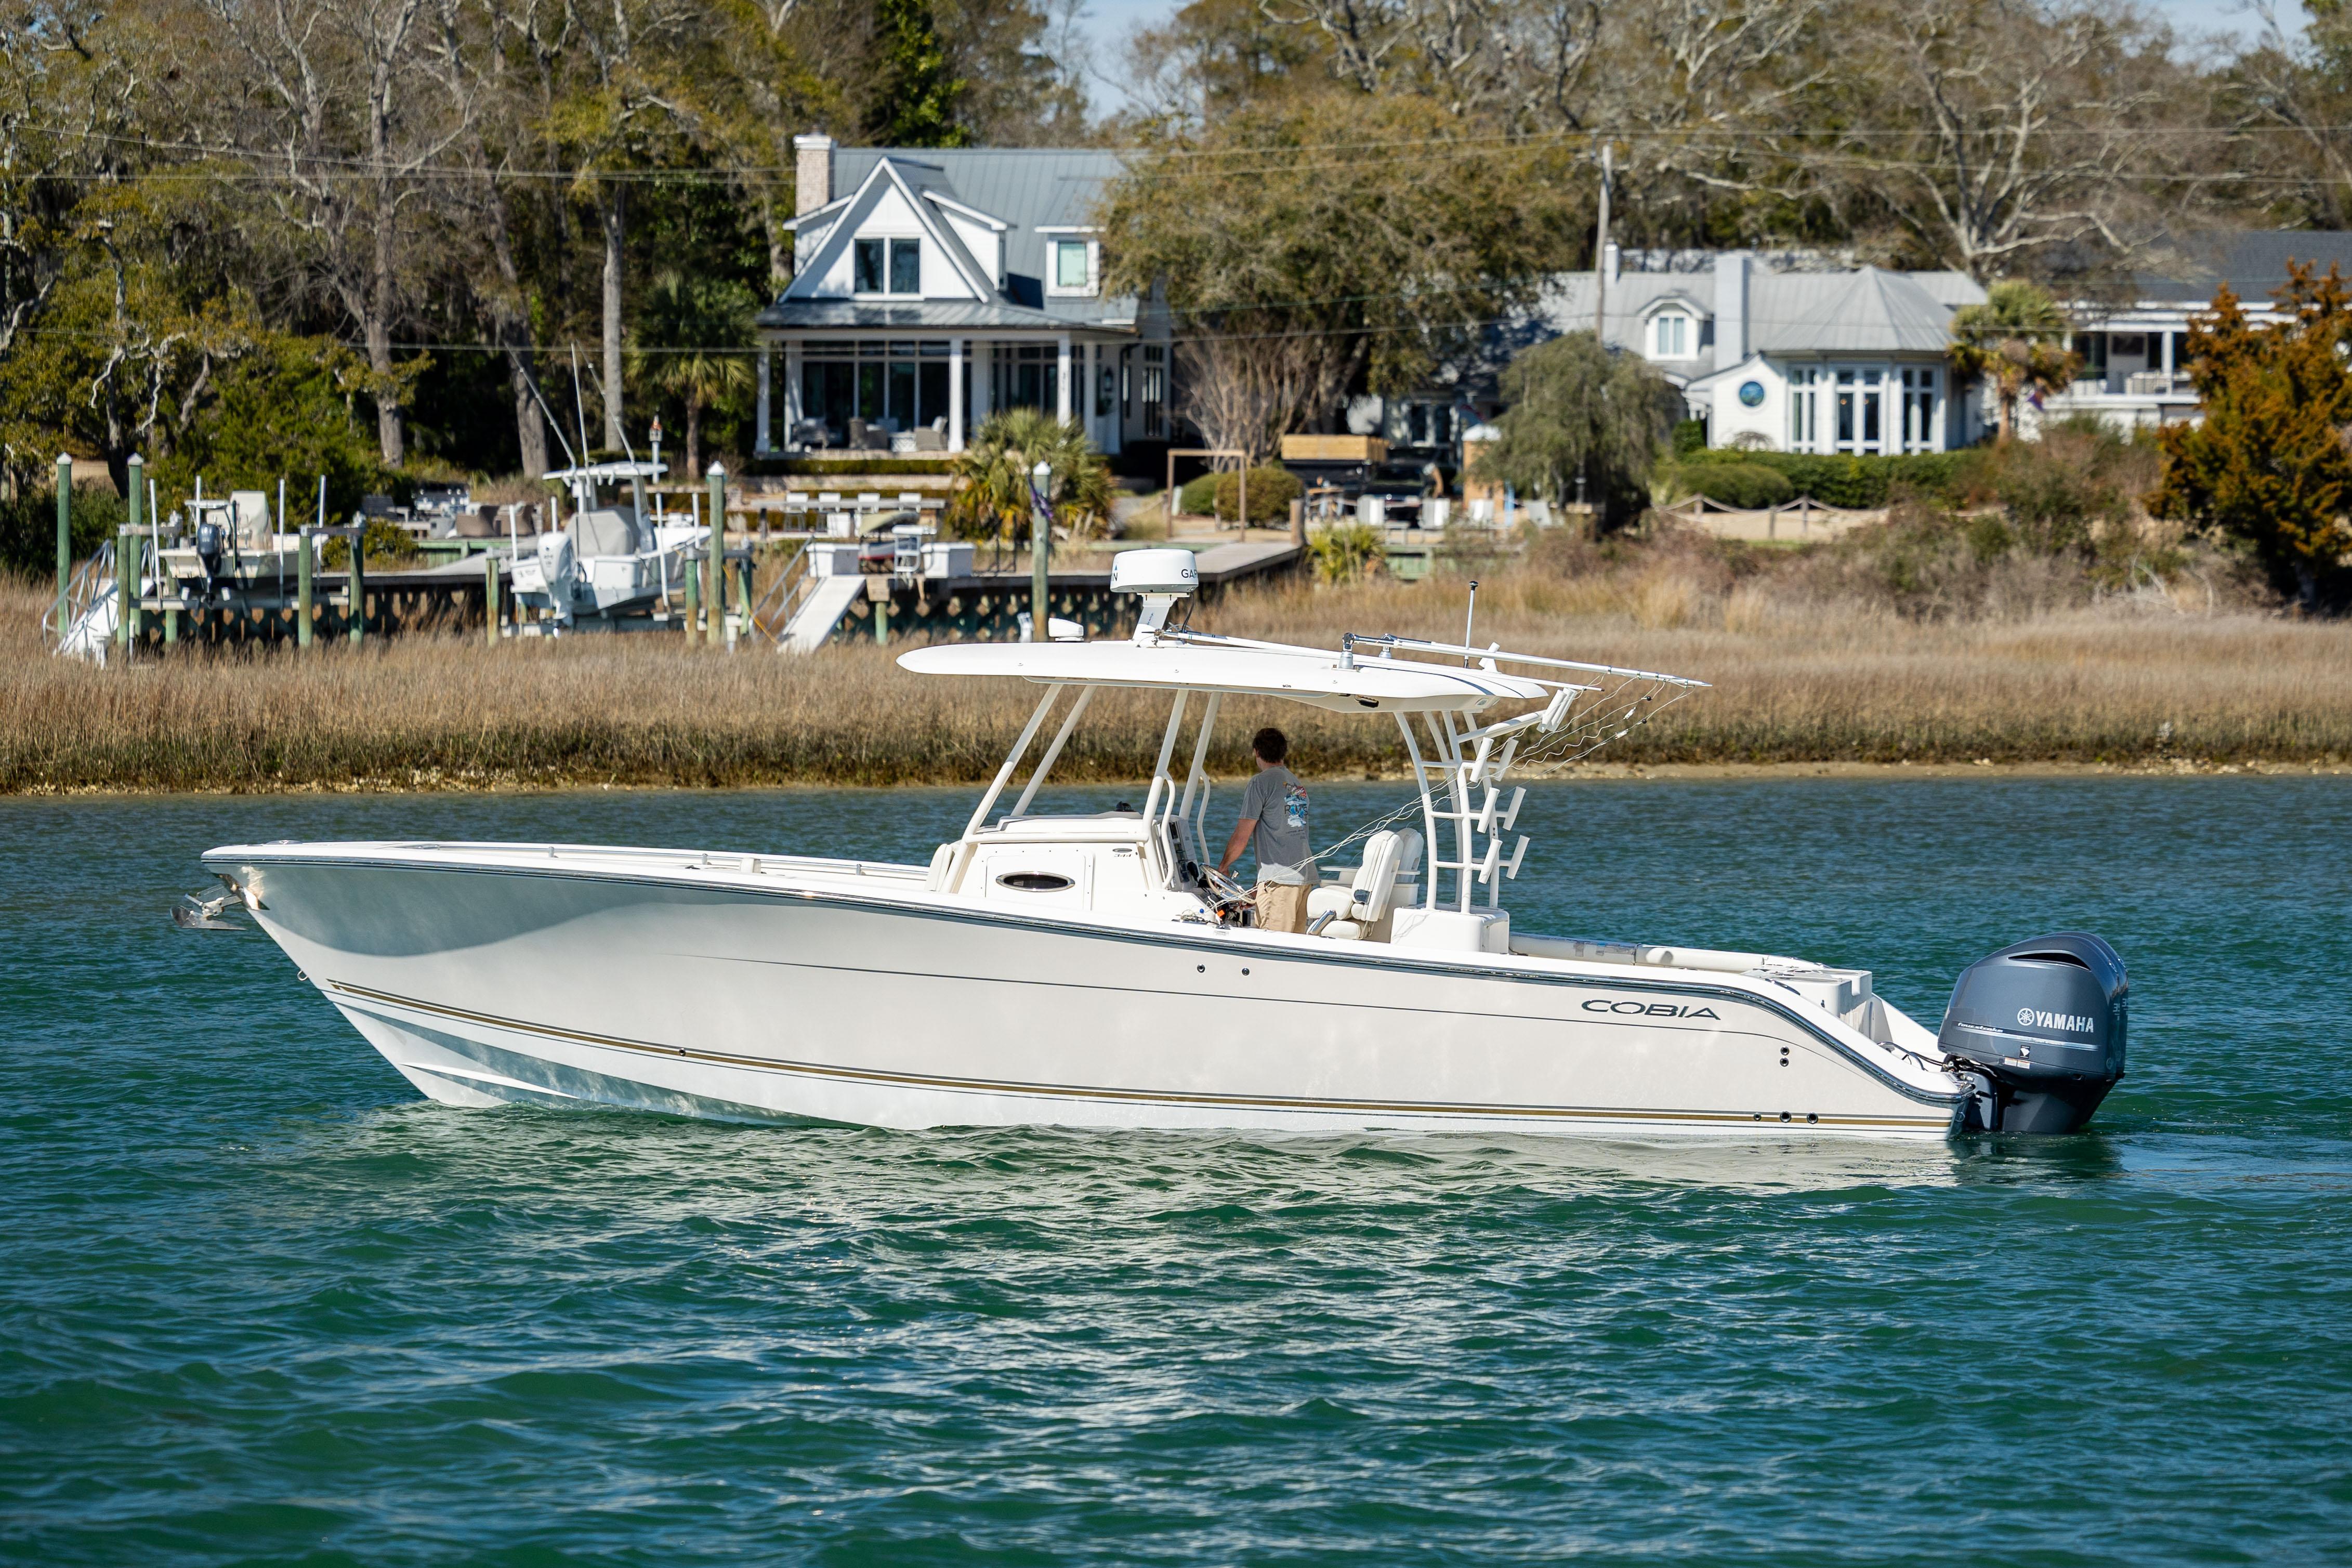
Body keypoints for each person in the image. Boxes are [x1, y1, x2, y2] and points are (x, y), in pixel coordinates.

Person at [1219, 727, 1310, 930]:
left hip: (1280, 884)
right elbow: (1288, 839)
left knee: (1272, 944)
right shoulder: (1295, 783)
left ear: (1256, 752)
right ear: (1283, 752)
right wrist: (1259, 886)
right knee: (1292, 946)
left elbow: (1242, 835)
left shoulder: (1260, 783)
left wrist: (1223, 867)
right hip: (1304, 880)